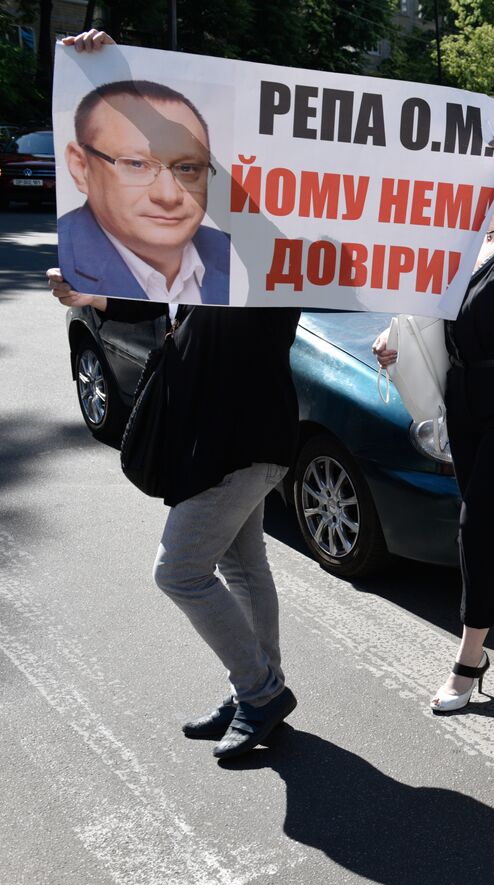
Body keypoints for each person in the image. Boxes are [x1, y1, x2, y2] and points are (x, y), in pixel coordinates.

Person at [47, 28, 298, 761]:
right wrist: (93, 299)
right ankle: (259, 683)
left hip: (246, 441)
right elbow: (166, 314)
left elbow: (208, 173)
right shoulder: (196, 252)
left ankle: (260, 689)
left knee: (178, 569)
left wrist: (119, 70)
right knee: (242, 565)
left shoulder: (266, 249)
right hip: (220, 438)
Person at [372, 133, 494, 712]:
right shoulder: (458, 245)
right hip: (463, 398)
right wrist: (396, 339)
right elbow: (426, 314)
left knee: (477, 522)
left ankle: (470, 658)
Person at [58, 78, 230, 305]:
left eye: (187, 168)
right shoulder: (71, 263)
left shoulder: (235, 254)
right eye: (137, 164)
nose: (168, 196)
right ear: (81, 167)